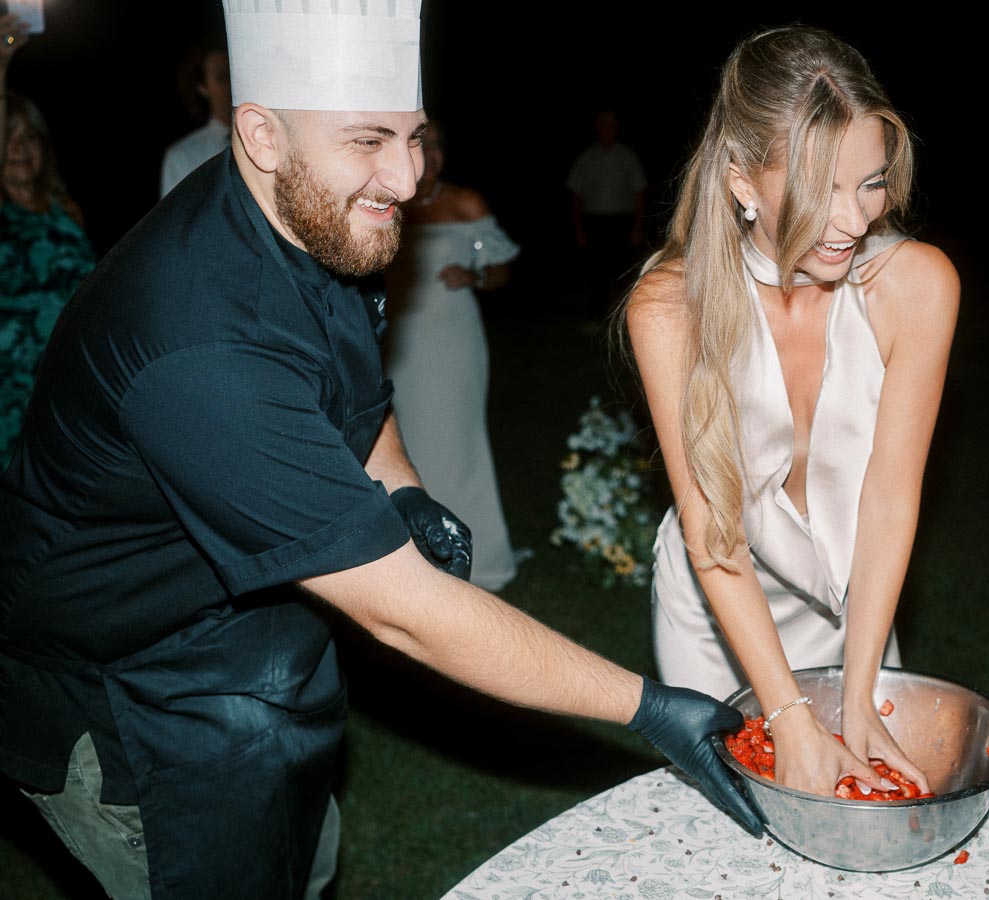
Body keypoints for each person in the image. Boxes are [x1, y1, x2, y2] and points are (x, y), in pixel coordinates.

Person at [0, 5, 758, 898]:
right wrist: (652, 707)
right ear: (261, 134)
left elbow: (357, 397)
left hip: (253, 620)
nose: (405, 177)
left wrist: (400, 489)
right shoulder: (201, 345)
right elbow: (405, 614)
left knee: (305, 860)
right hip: (124, 679)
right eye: (367, 140)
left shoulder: (315, 222)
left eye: (415, 137)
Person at [622, 26, 958, 799]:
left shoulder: (918, 286)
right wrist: (790, 715)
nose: (851, 220)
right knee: (741, 825)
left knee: (872, 810)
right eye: (818, 190)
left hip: (858, 607)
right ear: (742, 181)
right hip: (721, 610)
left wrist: (860, 682)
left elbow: (888, 500)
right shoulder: (673, 308)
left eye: (870, 183)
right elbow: (715, 536)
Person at [383, 119, 523, 591]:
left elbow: (501, 271)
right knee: (407, 442)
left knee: (458, 442)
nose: (434, 153)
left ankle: (480, 557)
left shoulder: (465, 203)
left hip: (455, 340)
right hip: (400, 340)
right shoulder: (387, 204)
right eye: (426, 143)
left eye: (440, 144)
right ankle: (418, 553)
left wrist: (475, 276)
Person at [1, 15, 97, 467]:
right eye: (7, 137)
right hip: (9, 392)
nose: (20, 147)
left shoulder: (66, 211)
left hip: (64, 390)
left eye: (29, 137)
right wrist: (2, 61)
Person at [568, 108, 646, 323]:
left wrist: (637, 227)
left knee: (624, 272)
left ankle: (625, 319)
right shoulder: (587, 157)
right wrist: (579, 228)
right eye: (603, 124)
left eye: (611, 124)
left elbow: (639, 192)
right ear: (597, 128)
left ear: (616, 128)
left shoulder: (627, 156)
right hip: (594, 221)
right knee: (596, 273)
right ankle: (597, 316)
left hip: (622, 220)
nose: (607, 129)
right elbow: (577, 195)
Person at [159, 36, 232, 198]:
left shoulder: (268, 138)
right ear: (203, 87)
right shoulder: (182, 156)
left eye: (233, 74)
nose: (231, 84)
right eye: (221, 77)